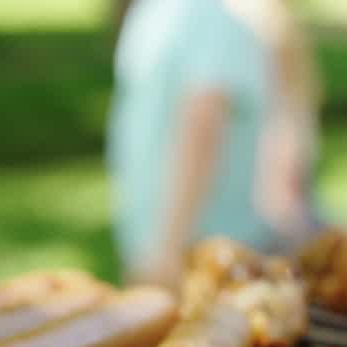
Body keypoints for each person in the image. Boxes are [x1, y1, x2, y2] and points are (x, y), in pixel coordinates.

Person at [108, 0, 319, 289]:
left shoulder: (206, 13)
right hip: (172, 250)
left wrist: (168, 248)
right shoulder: (164, 11)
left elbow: (203, 120)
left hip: (208, 260)